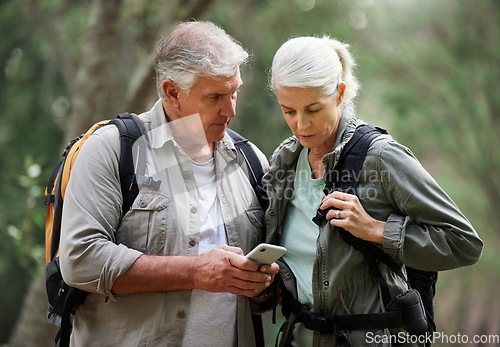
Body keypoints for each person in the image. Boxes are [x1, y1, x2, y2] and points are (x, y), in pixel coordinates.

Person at [59, 21, 278, 347]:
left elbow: (269, 291)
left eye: (235, 92)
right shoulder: (111, 149)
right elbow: (80, 259)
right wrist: (195, 273)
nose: (230, 109)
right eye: (215, 96)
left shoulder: (252, 161)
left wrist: (264, 285)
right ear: (172, 92)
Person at [263, 35, 483, 346]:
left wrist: (378, 230)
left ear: (339, 94)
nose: (301, 125)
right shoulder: (283, 162)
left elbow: (465, 243)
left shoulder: (381, 157)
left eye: (313, 109)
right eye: (289, 111)